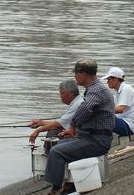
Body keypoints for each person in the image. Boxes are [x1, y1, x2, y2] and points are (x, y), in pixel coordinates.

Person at [44, 59, 115, 195]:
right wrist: (75, 130)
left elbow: (86, 108)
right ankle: (71, 183)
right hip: (91, 136)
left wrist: (73, 126)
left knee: (56, 151)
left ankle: (56, 189)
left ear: (84, 74)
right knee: (61, 143)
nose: (75, 77)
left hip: (97, 140)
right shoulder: (94, 89)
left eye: (76, 73)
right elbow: (87, 110)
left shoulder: (96, 90)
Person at [28, 80, 84, 146]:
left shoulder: (77, 105)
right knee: (53, 131)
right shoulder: (77, 101)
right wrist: (41, 123)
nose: (60, 96)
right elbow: (62, 122)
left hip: (80, 136)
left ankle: (51, 153)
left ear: (71, 93)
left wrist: (37, 130)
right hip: (75, 132)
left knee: (52, 133)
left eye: (62, 93)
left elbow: (58, 124)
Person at [103, 67, 134, 136]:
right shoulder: (118, 92)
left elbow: (120, 109)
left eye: (109, 79)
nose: (107, 82)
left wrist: (102, 110)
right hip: (123, 123)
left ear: (116, 79)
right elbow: (113, 108)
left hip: (128, 126)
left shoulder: (126, 89)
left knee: (103, 116)